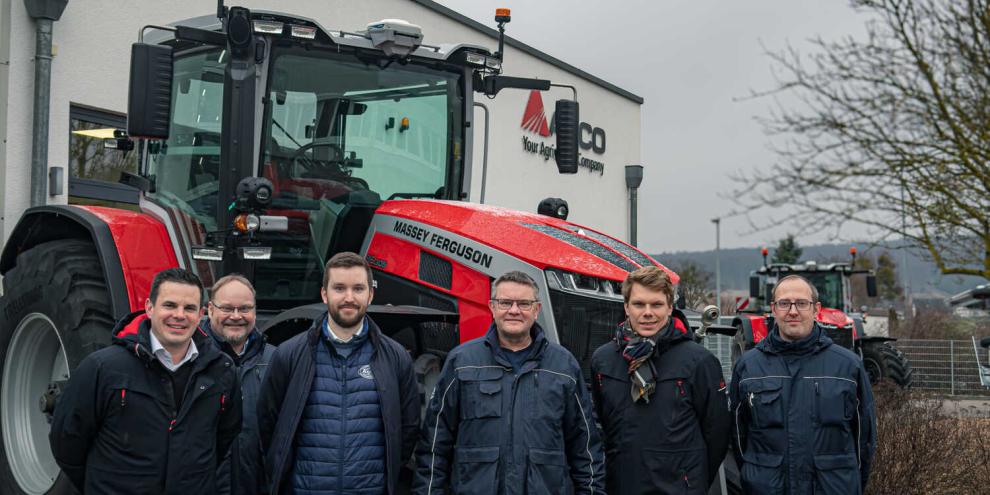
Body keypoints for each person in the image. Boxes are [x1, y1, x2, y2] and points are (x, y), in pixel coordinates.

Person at [49, 268, 242, 494]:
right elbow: (68, 442)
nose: (179, 315)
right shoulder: (103, 368)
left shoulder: (222, 371)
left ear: (200, 315)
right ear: (150, 308)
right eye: (169, 305)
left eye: (189, 308)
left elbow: (223, 439)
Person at [413, 271, 604, 495]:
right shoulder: (462, 362)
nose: (514, 310)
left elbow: (586, 448)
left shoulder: (563, 366)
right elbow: (435, 444)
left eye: (524, 303)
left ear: (537, 309)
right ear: (492, 307)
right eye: (505, 303)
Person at [257, 252, 419, 495]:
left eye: (358, 288)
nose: (349, 298)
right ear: (324, 294)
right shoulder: (290, 354)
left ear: (370, 294)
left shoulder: (395, 358)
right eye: (339, 288)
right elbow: (268, 426)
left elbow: (408, 430)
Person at [730, 274, 877, 494]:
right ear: (773, 309)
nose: (792, 311)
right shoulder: (748, 368)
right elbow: (738, 437)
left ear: (816, 308)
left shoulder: (848, 367)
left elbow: (863, 440)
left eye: (801, 303)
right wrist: (758, 476)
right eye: (784, 303)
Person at [590, 266, 730, 494]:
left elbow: (717, 435)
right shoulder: (603, 360)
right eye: (639, 304)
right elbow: (601, 427)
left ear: (670, 307)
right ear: (626, 307)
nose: (648, 313)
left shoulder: (699, 362)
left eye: (656, 304)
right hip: (621, 486)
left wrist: (691, 481)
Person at [202, 274, 276, 495]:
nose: (236, 316)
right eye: (227, 308)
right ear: (210, 309)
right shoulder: (191, 359)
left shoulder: (276, 360)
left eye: (244, 308)